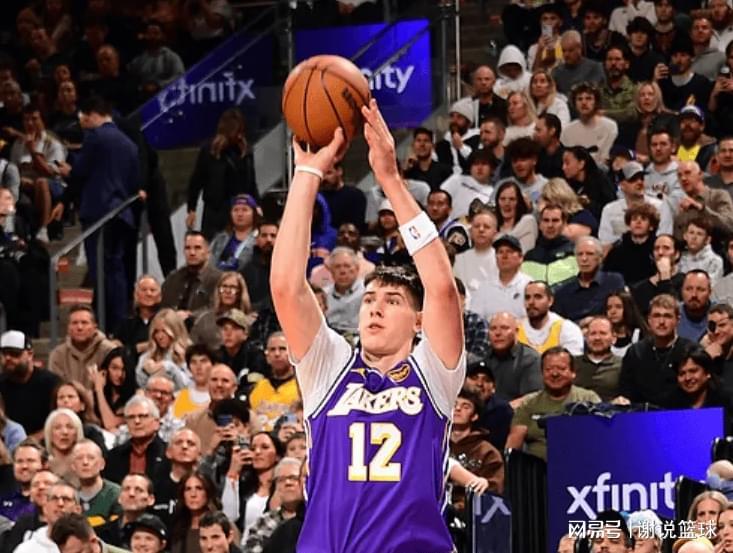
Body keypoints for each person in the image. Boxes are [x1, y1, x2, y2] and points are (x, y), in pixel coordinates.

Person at [270, 99, 465, 551]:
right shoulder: (330, 367)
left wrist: (390, 180)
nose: (375, 309)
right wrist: (306, 175)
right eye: (370, 299)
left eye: (392, 301)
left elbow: (441, 289)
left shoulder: (432, 373)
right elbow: (285, 286)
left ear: (418, 322)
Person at [55, 96, 141, 331]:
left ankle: (104, 324)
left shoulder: (95, 137)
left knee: (100, 270)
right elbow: (134, 181)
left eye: (84, 117)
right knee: (116, 269)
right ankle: (119, 322)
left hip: (99, 213)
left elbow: (80, 172)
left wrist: (67, 171)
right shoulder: (129, 144)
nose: (83, 122)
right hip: (121, 213)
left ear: (93, 114)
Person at [506, 346, 601, 461]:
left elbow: (600, 438)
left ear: (573, 373)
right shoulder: (529, 403)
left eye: (561, 368)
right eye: (548, 369)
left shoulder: (589, 398)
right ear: (542, 373)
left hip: (580, 464)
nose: (554, 374)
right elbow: (514, 441)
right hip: (538, 467)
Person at [618, 294, 696, 407]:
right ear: (649, 320)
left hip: (680, 413)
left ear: (678, 320)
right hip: (641, 414)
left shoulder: (690, 350)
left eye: (667, 316)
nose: (661, 322)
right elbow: (625, 392)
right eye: (656, 316)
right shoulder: (635, 352)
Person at [0, 330, 60, 438]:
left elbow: (58, 420)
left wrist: (28, 442)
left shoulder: (51, 383)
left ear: (30, 354)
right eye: (4, 354)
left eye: (14, 353)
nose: (8, 358)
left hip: (45, 442)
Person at [599, 160, 672, 247]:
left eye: (641, 178)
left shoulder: (660, 207)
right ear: (622, 185)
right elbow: (605, 242)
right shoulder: (609, 210)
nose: (639, 182)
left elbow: (665, 239)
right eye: (633, 179)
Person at [449, 388, 504, 502]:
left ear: (474, 416)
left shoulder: (487, 451)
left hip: (471, 507)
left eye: (466, 406)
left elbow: (495, 490)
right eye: (454, 405)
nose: (457, 409)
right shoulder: (435, 446)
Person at [553, 237, 626, 323]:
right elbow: (559, 326)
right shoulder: (562, 293)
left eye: (590, 254)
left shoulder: (613, 281)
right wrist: (581, 323)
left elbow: (622, 314)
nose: (584, 259)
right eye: (580, 254)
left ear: (600, 258)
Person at [103, 396, 170, 485]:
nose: (137, 421)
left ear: (156, 422)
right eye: (131, 417)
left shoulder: (169, 454)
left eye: (142, 416)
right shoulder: (113, 456)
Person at [666, 344, 733, 431]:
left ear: (708, 373)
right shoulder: (668, 406)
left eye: (693, 371)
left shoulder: (727, 401)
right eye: (682, 374)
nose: (687, 378)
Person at [48, 304, 116, 390]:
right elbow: (55, 390)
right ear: (68, 328)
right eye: (74, 323)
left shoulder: (110, 351)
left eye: (84, 323)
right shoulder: (58, 355)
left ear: (94, 327)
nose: (79, 327)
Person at [243, 457, 303, 553]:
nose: (287, 483)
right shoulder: (263, 522)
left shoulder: (316, 518)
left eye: (293, 478)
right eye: (281, 480)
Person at [480, 312, 542, 402]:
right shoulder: (482, 357)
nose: (498, 333)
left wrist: (503, 408)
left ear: (516, 331)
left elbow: (533, 397)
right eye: (493, 328)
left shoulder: (531, 359)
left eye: (504, 328)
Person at [162, 231, 222, 316]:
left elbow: (217, 308)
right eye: (187, 248)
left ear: (208, 253)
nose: (192, 253)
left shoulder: (219, 279)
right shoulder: (173, 278)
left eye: (197, 248)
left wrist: (190, 315)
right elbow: (161, 306)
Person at [517, 281, 585, 356]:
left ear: (550, 301)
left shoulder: (567, 329)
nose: (531, 302)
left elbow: (573, 361)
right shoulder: (515, 328)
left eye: (538, 297)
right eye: (527, 298)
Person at [674, 160, 733, 245]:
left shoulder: (718, 196)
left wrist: (701, 208)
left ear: (700, 175)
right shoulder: (682, 206)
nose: (683, 178)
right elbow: (679, 240)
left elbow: (729, 227)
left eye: (688, 173)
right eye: (679, 175)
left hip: (717, 250)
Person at [14, 480, 83, 553]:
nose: (60, 503)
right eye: (54, 498)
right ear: (45, 508)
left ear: (77, 510)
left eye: (66, 499)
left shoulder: (87, 546)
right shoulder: (26, 549)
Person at [248, 333, 299, 431]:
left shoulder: (301, 388)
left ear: (292, 353)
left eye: (282, 349)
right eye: (272, 350)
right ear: (267, 356)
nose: (277, 354)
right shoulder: (257, 388)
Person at [185, 364, 239, 455]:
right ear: (207, 385)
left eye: (225, 381)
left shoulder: (248, 418)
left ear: (234, 388)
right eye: (214, 380)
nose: (219, 385)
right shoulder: (193, 419)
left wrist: (239, 441)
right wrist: (210, 449)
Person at [603, 202, 660, 286]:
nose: (638, 222)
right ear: (629, 225)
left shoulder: (658, 248)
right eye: (634, 219)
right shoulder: (617, 250)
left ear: (651, 226)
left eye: (643, 219)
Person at [522, 205, 579, 288]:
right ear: (540, 225)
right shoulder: (529, 257)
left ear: (564, 224)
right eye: (546, 220)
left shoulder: (575, 252)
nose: (550, 225)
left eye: (555, 220)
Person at [135, 309, 191, 391]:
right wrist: (145, 371)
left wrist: (169, 367)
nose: (160, 336)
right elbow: (142, 385)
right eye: (157, 331)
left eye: (164, 331)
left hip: (182, 397)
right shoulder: (147, 356)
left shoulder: (189, 352)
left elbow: (189, 386)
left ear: (174, 331)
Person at [95, 474, 156, 549]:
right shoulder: (101, 534)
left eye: (138, 490)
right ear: (119, 498)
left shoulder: (158, 532)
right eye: (126, 489)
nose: (131, 494)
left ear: (151, 499)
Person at [655, 34, 713, 113]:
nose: (678, 60)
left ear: (692, 58)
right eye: (675, 56)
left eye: (683, 55)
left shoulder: (701, 83)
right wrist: (655, 80)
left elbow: (703, 112)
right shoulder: (664, 82)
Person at [70, 440, 120, 526]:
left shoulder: (116, 494)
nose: (85, 462)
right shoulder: (69, 497)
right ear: (73, 466)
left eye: (91, 458)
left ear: (102, 464)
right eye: (79, 458)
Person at [632, 234, 686, 313]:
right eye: (656, 248)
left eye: (666, 248)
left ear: (677, 254)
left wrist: (665, 277)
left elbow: (675, 310)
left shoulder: (685, 282)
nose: (660, 253)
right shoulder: (640, 288)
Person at [170, 471, 222, 553]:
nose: (193, 494)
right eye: (188, 489)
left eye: (199, 488)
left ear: (208, 493)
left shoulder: (222, 525)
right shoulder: (177, 529)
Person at [560, 146, 616, 222]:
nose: (563, 167)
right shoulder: (567, 184)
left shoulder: (600, 181)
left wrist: (588, 203)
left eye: (567, 163)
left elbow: (610, 209)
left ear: (581, 164)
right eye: (563, 163)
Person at [574, 316, 623, 401]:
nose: (597, 338)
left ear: (614, 338)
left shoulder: (623, 365)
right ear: (586, 337)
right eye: (593, 333)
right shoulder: (573, 364)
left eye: (603, 333)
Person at [440, 149, 496, 220]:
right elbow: (439, 199)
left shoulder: (493, 192)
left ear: (492, 169)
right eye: (476, 164)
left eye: (484, 164)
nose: (479, 168)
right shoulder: (457, 180)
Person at [209, 195, 258, 273]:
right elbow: (209, 261)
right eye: (235, 210)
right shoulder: (221, 238)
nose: (240, 214)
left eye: (245, 210)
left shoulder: (259, 238)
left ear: (254, 213)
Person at [0, 438, 45, 522]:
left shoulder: (50, 499)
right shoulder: (4, 494)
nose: (24, 466)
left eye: (30, 461)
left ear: (43, 465)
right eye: (19, 461)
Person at [92, 347, 136, 432]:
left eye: (124, 369)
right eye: (114, 368)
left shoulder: (136, 396)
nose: (119, 374)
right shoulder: (94, 394)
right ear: (105, 369)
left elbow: (109, 423)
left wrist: (99, 389)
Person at [552, 30, 605, 95]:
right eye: (564, 51)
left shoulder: (595, 68)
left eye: (570, 50)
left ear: (579, 48)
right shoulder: (557, 72)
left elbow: (594, 94)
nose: (566, 55)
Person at [436, 98, 480, 174]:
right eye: (452, 116)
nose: (454, 120)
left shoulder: (477, 140)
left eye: (459, 117)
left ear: (469, 123)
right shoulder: (443, 144)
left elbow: (477, 163)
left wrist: (461, 147)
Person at [424, 190, 470, 254]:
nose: (434, 208)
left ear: (450, 209)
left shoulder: (457, 229)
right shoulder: (424, 227)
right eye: (431, 203)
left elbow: (451, 252)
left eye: (440, 204)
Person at [679, 218, 724, 283]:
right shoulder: (680, 258)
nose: (694, 237)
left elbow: (711, 285)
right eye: (691, 232)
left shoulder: (715, 261)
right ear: (685, 236)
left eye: (699, 234)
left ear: (708, 240)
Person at [605, 290, 648, 357]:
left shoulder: (640, 334)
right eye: (609, 308)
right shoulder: (603, 335)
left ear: (628, 308)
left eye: (618, 307)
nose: (613, 311)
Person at [677, 105, 717, 170]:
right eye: (683, 121)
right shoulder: (672, 148)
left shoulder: (712, 150)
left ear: (702, 126)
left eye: (692, 120)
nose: (687, 125)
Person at [678, 270, 713, 342]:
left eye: (700, 289)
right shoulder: (672, 314)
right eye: (688, 289)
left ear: (710, 292)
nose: (694, 295)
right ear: (681, 291)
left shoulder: (721, 316)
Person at [691, 15, 727, 81]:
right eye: (696, 28)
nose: (700, 30)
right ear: (690, 33)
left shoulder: (722, 57)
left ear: (711, 33)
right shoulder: (685, 58)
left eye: (704, 28)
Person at [533, 112, 565, 179]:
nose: (535, 134)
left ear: (552, 131)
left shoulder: (566, 158)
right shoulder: (535, 156)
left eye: (538, 130)